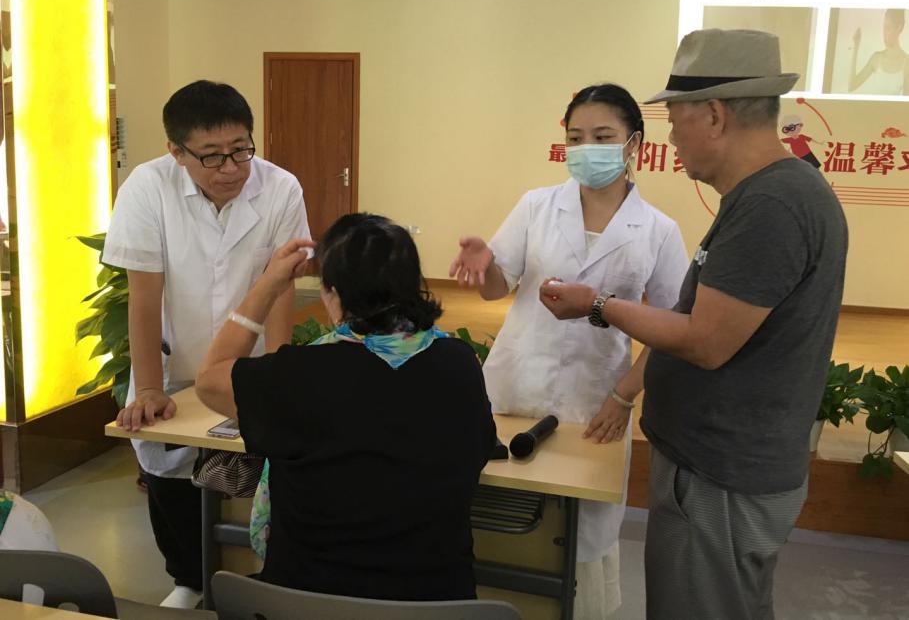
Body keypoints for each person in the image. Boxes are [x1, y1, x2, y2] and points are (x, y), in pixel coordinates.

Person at [539, 29, 848, 619]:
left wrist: (597, 305)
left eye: (675, 120)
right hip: (717, 464)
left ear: (714, 114)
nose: (673, 139)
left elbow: (706, 341)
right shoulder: (764, 195)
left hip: (721, 476)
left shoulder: (772, 205)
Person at [449, 84, 688, 618]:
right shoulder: (537, 205)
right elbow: (496, 287)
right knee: (497, 516)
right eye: (576, 138)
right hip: (514, 385)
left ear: (634, 144)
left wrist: (623, 397)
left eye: (602, 137)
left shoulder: (658, 230)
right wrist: (484, 266)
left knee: (579, 536)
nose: (587, 149)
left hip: (595, 400)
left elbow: (672, 327)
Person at [195, 214, 496, 602]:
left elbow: (209, 380)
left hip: (304, 604)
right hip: (436, 605)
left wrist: (268, 285)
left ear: (333, 294)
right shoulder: (461, 364)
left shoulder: (297, 376)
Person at [103, 80, 309, 608]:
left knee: (254, 468)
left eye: (241, 149)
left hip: (248, 361)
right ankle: (189, 579)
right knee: (167, 466)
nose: (231, 168)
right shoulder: (148, 188)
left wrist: (278, 375)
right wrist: (150, 387)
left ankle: (254, 577)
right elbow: (144, 295)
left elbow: (281, 287)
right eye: (212, 156)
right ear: (177, 152)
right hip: (173, 357)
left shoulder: (281, 188)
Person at [849, 8, 908, 95]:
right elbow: (852, 86)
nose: (884, 33)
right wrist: (856, 47)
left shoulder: (906, 62)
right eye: (883, 27)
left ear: (899, 28)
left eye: (888, 28)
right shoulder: (876, 58)